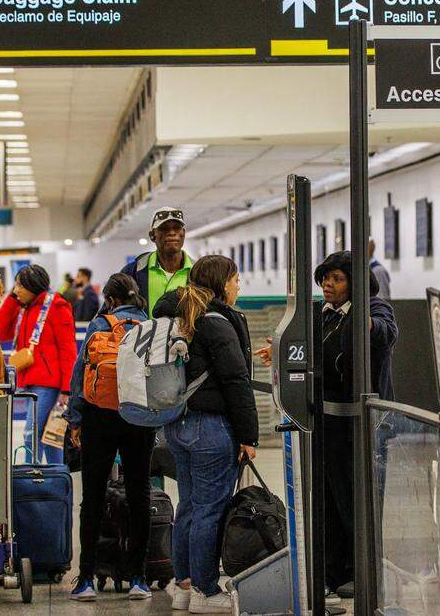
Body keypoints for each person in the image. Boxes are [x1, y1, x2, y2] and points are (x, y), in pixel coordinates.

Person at [257, 250, 398, 600]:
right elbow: (309, 353)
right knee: (329, 500)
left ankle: (359, 571)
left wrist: (364, 317)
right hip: (327, 421)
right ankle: (330, 571)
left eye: (337, 279)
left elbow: (384, 333)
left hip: (360, 425)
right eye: (325, 279)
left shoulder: (374, 309)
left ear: (356, 283)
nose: (328, 285)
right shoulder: (322, 314)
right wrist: (280, 352)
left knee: (356, 499)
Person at [165, 256, 259, 613]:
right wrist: (249, 436)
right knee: (209, 511)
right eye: (235, 280)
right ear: (221, 283)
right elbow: (236, 381)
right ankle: (205, 591)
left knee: (189, 506)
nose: (238, 287)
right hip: (210, 428)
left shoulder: (183, 316)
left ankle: (184, 586)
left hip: (180, 424)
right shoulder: (217, 322)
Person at [65, 274, 156, 602]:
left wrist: (75, 419)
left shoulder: (99, 324)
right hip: (139, 417)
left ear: (112, 300)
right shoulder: (150, 326)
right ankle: (138, 578)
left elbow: (80, 374)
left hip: (99, 416)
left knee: (92, 496)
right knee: (139, 494)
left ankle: (86, 579)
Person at [0, 264, 77, 464]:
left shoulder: (57, 306)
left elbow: (68, 349)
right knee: (51, 437)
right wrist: (12, 299)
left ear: (33, 285)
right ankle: (56, 477)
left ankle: (32, 476)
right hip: (30, 379)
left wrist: (67, 388)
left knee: (32, 432)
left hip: (49, 383)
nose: (16, 290)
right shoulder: (24, 308)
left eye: (20, 286)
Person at [120, 207, 194, 315]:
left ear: (184, 233)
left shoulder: (198, 272)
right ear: (152, 235)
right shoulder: (133, 271)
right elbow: (111, 310)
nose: (172, 232)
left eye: (177, 228)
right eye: (164, 229)